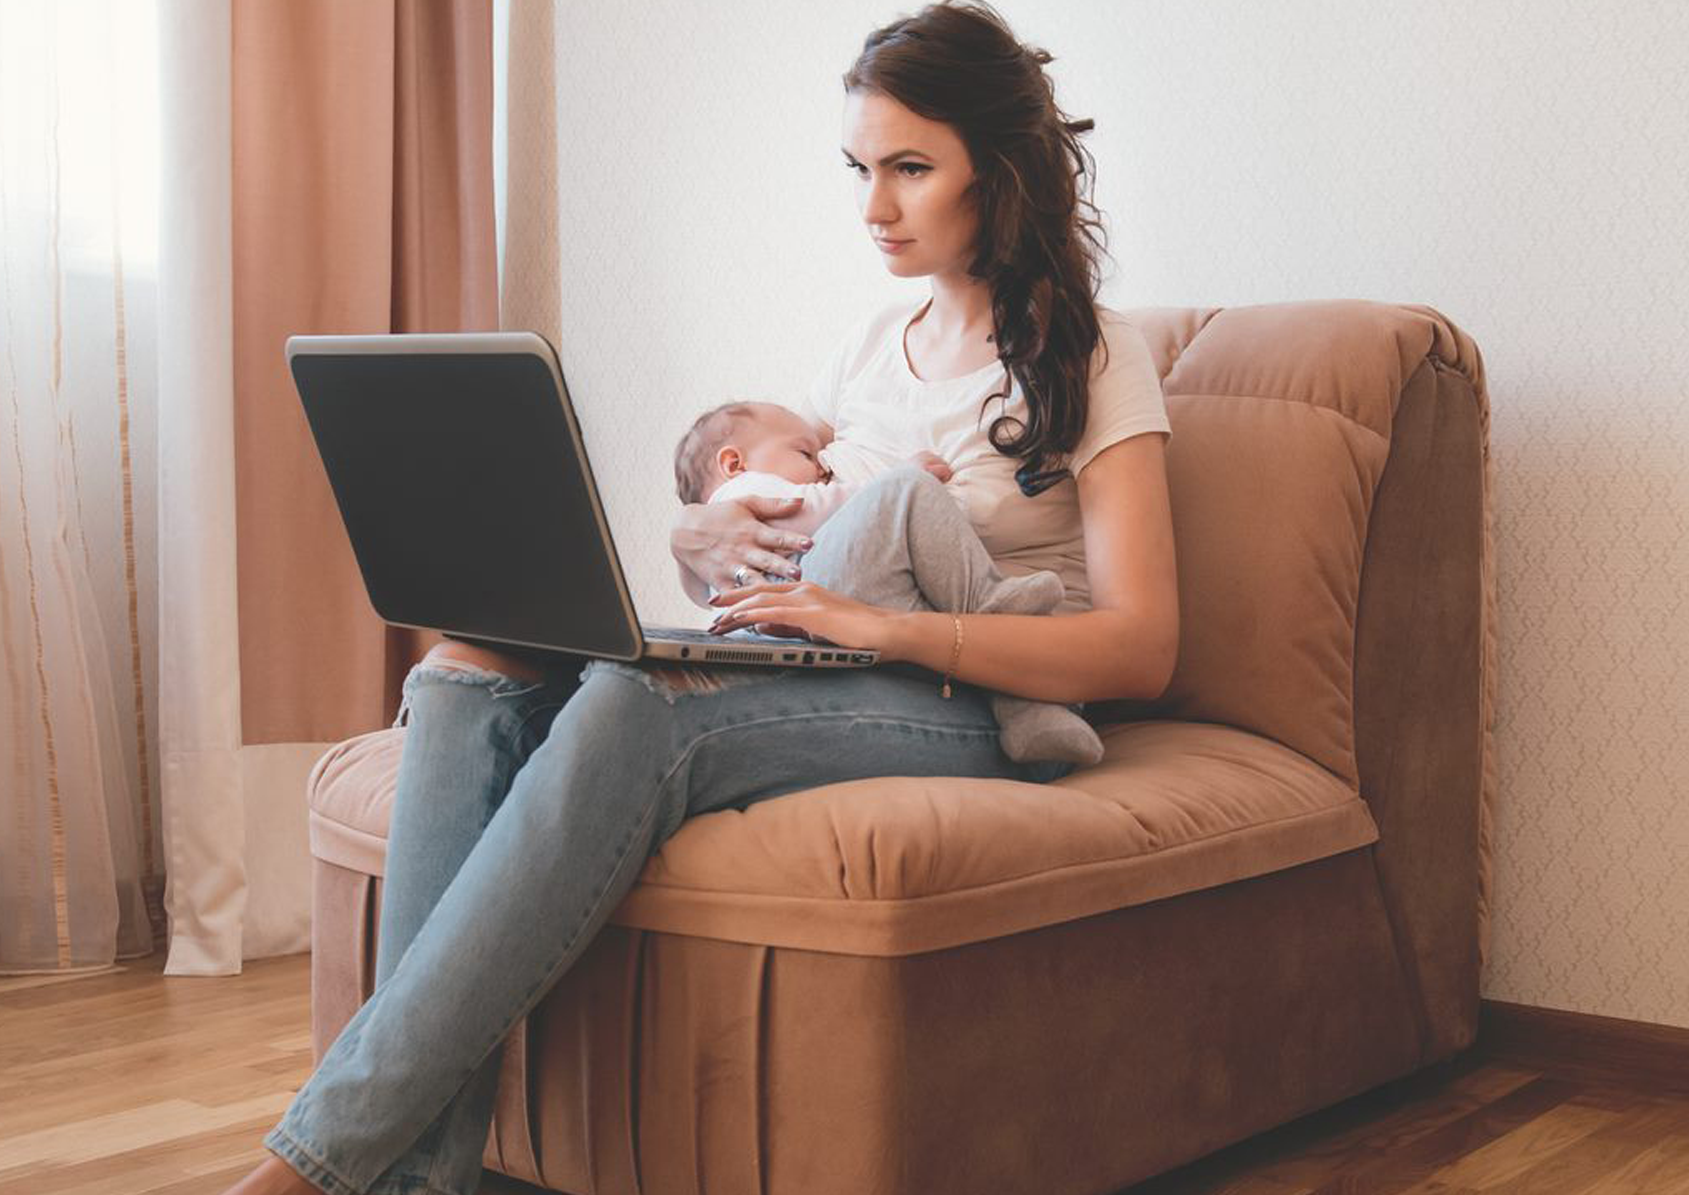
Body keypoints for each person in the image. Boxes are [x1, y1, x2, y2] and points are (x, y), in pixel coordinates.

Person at [222, 3, 1175, 1192]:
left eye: (911, 170)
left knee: (637, 709)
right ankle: (420, 1180)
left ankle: (316, 1164)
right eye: (862, 170)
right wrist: (702, 543)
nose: (874, 208)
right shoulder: (872, 343)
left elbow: (1140, 649)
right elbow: (805, 542)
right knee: (469, 667)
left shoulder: (1092, 352)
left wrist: (881, 626)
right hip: (829, 663)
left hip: (974, 697)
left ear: (1004, 168)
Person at [674, 399, 1105, 765]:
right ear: (734, 463)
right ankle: (997, 607)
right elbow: (808, 508)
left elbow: (697, 592)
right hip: (815, 591)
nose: (824, 469)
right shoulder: (745, 495)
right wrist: (895, 475)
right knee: (906, 490)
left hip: (812, 633)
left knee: (927, 628)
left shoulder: (713, 550)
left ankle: (1023, 705)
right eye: (807, 454)